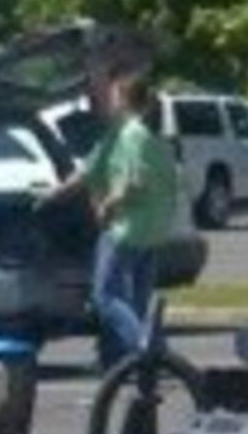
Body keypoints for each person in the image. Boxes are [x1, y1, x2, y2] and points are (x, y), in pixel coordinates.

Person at [66, 36, 177, 366]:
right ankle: (137, 361)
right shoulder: (155, 138)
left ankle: (143, 345)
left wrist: (108, 205)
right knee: (139, 298)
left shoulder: (131, 134)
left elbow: (133, 181)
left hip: (126, 229)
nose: (108, 98)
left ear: (124, 98)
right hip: (153, 230)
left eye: (113, 93)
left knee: (106, 296)